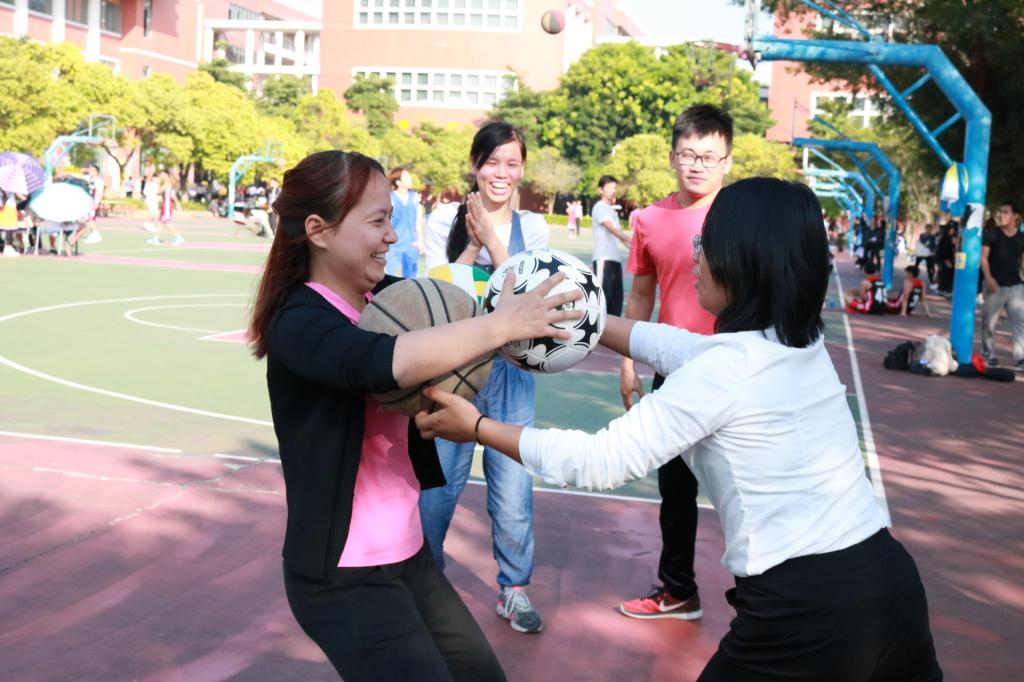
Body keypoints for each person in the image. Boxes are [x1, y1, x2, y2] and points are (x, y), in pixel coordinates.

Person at [416, 177, 944, 682]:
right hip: (891, 585)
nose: (695, 255)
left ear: (744, 261)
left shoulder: (726, 371)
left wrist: (478, 427)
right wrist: (572, 315)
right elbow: (670, 345)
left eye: (706, 242)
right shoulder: (797, 345)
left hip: (807, 612)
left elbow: (599, 461)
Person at [248, 150, 581, 681]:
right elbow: (379, 362)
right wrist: (501, 325)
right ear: (318, 230)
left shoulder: (387, 299)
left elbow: (450, 307)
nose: (392, 236)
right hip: (344, 576)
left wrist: (530, 319)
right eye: (377, 221)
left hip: (408, 555)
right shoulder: (300, 321)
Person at [420, 121, 549, 634]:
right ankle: (424, 582)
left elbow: (530, 293)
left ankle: (514, 589)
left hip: (511, 372)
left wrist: (494, 241)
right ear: (475, 165)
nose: (501, 173)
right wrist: (471, 248)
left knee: (513, 489)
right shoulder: (441, 220)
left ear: (522, 170)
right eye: (492, 162)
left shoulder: (532, 228)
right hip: (454, 369)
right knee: (438, 487)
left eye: (511, 163)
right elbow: (438, 298)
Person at [617, 103, 732, 621]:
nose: (697, 165)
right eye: (688, 154)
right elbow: (641, 295)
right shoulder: (648, 219)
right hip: (674, 370)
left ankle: (768, 599)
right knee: (676, 489)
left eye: (709, 156)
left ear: (727, 161)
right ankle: (679, 589)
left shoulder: (740, 214)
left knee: (746, 486)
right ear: (672, 157)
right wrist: (628, 363)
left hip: (735, 367)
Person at [980, 201, 1024, 370]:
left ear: (1015, 216)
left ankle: (1021, 357)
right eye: (1000, 212)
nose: (1001, 215)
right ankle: (989, 354)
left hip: (1016, 286)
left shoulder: (1021, 237)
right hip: (995, 285)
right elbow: (983, 258)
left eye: (1006, 212)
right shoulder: (992, 234)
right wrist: (989, 278)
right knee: (989, 323)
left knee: (1020, 322)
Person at [591, 175, 631, 317]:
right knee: (602, 303)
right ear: (600, 190)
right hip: (603, 260)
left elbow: (620, 236)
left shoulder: (612, 211)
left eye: (614, 187)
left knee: (615, 304)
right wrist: (634, 242)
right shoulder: (599, 207)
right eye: (609, 188)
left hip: (615, 261)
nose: (613, 190)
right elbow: (612, 229)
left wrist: (636, 248)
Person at [386, 167, 423, 278]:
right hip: (393, 245)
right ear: (398, 182)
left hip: (411, 244)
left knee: (412, 279)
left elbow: (418, 221)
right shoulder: (390, 198)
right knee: (388, 277)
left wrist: (420, 240)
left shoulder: (414, 197)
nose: (410, 179)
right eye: (406, 177)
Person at [68, 164, 104, 248]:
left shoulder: (99, 181)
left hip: (94, 201)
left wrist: (97, 203)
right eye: (90, 170)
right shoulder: (89, 178)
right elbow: (80, 176)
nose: (90, 171)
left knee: (90, 218)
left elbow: (100, 193)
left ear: (96, 172)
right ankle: (94, 233)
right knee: (89, 218)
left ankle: (95, 233)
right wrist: (69, 174)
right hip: (88, 201)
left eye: (92, 170)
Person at [145, 171, 184, 246]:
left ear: (166, 174)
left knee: (167, 222)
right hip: (165, 204)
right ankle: (155, 238)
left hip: (167, 205)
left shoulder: (167, 183)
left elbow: (158, 191)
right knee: (161, 222)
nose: (160, 175)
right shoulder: (168, 183)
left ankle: (179, 237)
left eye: (162, 174)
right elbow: (172, 194)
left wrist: (158, 182)